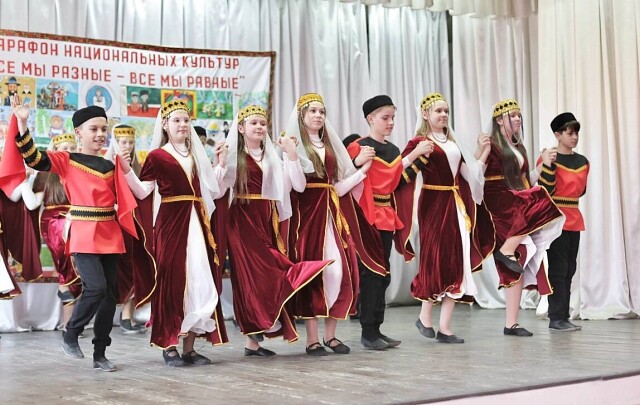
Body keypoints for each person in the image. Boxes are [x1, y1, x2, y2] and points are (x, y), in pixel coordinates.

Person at [9, 95, 139, 371]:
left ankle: (100, 353)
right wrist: (22, 123)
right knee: (96, 288)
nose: (100, 134)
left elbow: (127, 195)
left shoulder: (111, 165)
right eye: (94, 129)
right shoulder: (66, 160)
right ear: (79, 132)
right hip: (83, 233)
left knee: (109, 298)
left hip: (110, 233)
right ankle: (71, 332)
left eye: (104, 129)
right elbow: (33, 157)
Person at [122, 99, 229, 367]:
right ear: (165, 125)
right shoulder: (157, 156)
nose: (182, 124)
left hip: (196, 223)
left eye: (186, 120)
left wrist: (220, 164)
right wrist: (126, 171)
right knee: (171, 281)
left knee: (199, 280)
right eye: (176, 120)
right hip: (170, 224)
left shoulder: (196, 155)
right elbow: (143, 192)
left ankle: (189, 348)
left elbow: (212, 190)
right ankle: (168, 345)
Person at [223, 104, 331, 357]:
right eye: (254, 123)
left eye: (263, 124)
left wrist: (291, 155)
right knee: (249, 276)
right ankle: (253, 335)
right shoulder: (233, 157)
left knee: (265, 274)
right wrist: (219, 165)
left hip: (267, 220)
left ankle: (253, 343)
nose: (259, 127)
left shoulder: (273, 156)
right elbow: (218, 189)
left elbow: (297, 186)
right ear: (241, 129)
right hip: (241, 221)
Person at [395, 93, 495, 343]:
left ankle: (445, 327)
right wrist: (415, 153)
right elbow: (396, 172)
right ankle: (424, 316)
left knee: (456, 259)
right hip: (432, 203)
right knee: (435, 258)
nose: (443, 115)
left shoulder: (453, 143)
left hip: (454, 203)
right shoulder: (420, 142)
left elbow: (470, 174)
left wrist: (483, 151)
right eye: (438, 111)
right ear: (425, 114)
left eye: (446, 111)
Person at [285, 93, 368, 356]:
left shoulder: (330, 146)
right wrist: (292, 156)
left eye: (322, 111)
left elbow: (337, 187)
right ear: (302, 116)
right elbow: (298, 186)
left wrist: (363, 171)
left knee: (340, 271)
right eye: (313, 111)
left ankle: (330, 336)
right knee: (314, 274)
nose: (318, 115)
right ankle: (312, 339)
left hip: (331, 215)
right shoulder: (294, 146)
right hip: (308, 218)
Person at [478, 99, 565, 336]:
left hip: (515, 200)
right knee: (539, 197)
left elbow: (526, 180)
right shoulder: (492, 144)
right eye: (512, 115)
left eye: (519, 115)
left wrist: (543, 164)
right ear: (499, 120)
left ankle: (511, 323)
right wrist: (480, 150)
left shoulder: (518, 146)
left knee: (518, 259)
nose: (517, 119)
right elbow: (477, 172)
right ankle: (506, 248)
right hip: (499, 201)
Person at [345, 95, 416, 350]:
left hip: (385, 215)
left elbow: (395, 183)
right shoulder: (358, 147)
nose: (390, 122)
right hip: (365, 216)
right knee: (371, 273)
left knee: (383, 274)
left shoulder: (393, 151)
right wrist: (357, 162)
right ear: (370, 119)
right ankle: (367, 331)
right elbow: (343, 178)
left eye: (392, 118)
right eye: (385, 118)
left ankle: (376, 328)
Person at [538, 112, 589, 332]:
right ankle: (555, 317)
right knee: (558, 269)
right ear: (557, 135)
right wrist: (548, 165)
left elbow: (582, 190)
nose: (574, 137)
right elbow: (545, 189)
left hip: (574, 218)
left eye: (576, 132)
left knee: (569, 268)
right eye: (569, 133)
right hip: (556, 218)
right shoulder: (548, 158)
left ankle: (563, 316)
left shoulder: (583, 161)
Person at [32, 133, 82, 330]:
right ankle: (69, 322)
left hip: (76, 220)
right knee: (67, 268)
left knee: (76, 269)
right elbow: (34, 203)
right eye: (65, 148)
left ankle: (69, 323)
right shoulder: (45, 174)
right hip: (54, 222)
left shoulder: (79, 171)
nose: (69, 151)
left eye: (72, 148)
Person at [104, 125, 147, 334]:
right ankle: (110, 316)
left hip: (136, 223)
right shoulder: (107, 167)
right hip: (115, 223)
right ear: (115, 144)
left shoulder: (138, 167)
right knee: (118, 269)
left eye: (130, 142)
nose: (127, 146)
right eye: (123, 142)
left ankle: (127, 316)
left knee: (135, 267)